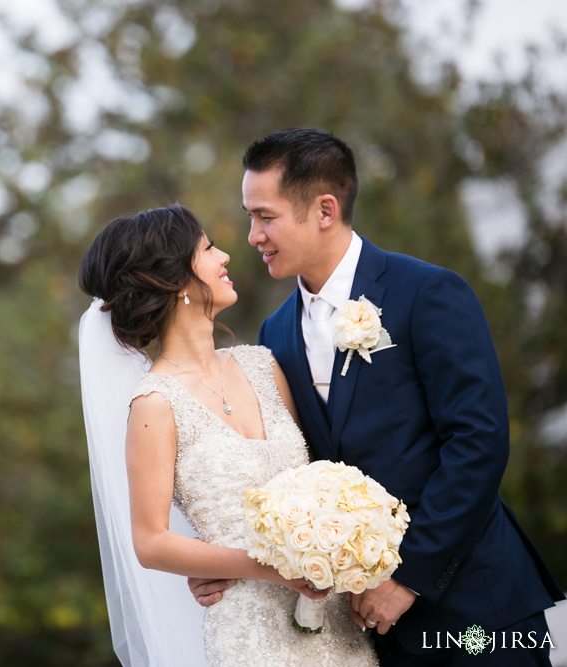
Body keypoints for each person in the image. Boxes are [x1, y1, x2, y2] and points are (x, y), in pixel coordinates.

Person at [190, 128, 564, 666]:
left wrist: (409, 577)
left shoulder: (427, 293)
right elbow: (294, 471)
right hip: (372, 634)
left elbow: (478, 443)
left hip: (476, 609)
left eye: (264, 216)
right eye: (250, 216)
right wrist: (230, 563)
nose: (252, 236)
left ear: (324, 209)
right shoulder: (275, 335)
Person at [78, 204, 378, 666]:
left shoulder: (263, 364)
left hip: (333, 616)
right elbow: (151, 541)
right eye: (208, 248)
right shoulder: (154, 405)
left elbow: (322, 473)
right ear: (175, 281)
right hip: (251, 633)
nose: (225, 257)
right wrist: (268, 567)